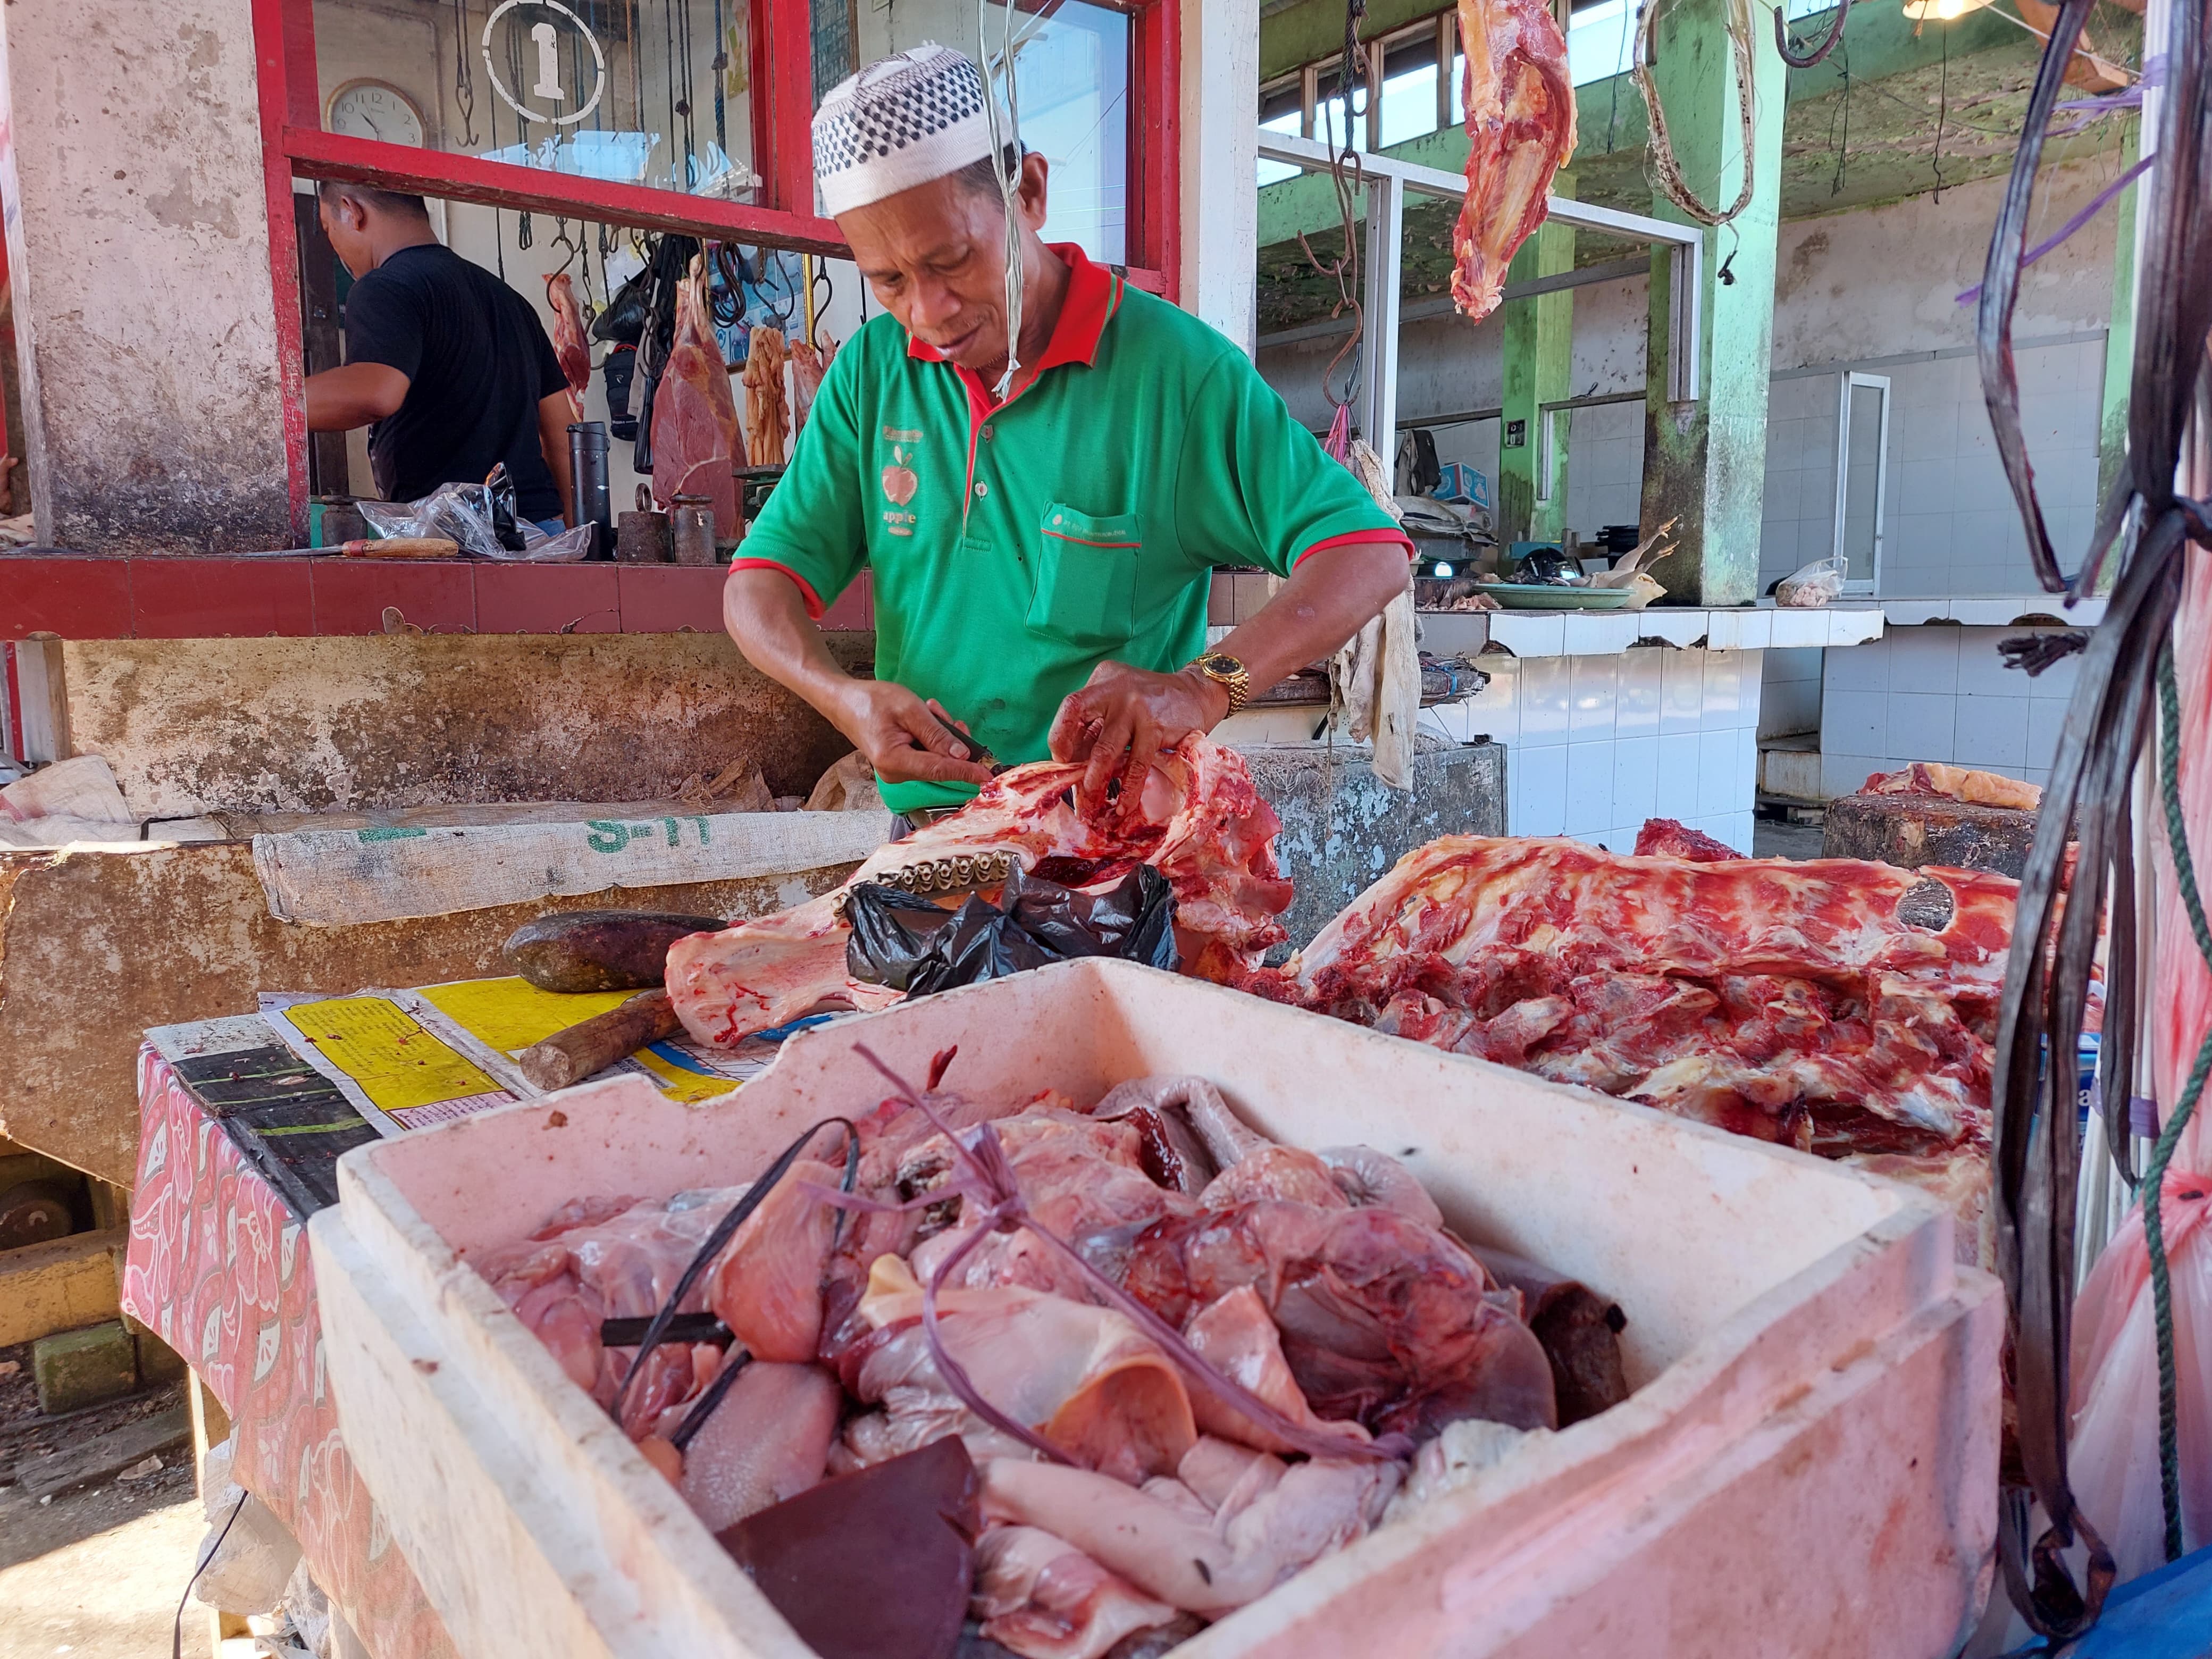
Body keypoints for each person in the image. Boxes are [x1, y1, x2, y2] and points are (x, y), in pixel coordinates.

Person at [724, 43, 1412, 825]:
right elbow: (757, 588)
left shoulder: (1177, 376)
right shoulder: (873, 375)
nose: (930, 310)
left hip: (1112, 847)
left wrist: (1202, 685)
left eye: (953, 261)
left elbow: (1368, 554)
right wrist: (843, 699)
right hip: (931, 842)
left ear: (1030, 192)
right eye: (889, 281)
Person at [303, 181, 575, 535]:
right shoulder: (511, 301)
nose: (334, 245)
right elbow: (563, 434)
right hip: (540, 531)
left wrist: (257, 410)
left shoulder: (383, 286)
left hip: (458, 541)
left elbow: (375, 393)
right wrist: (574, 540)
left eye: (328, 228)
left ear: (351, 212)